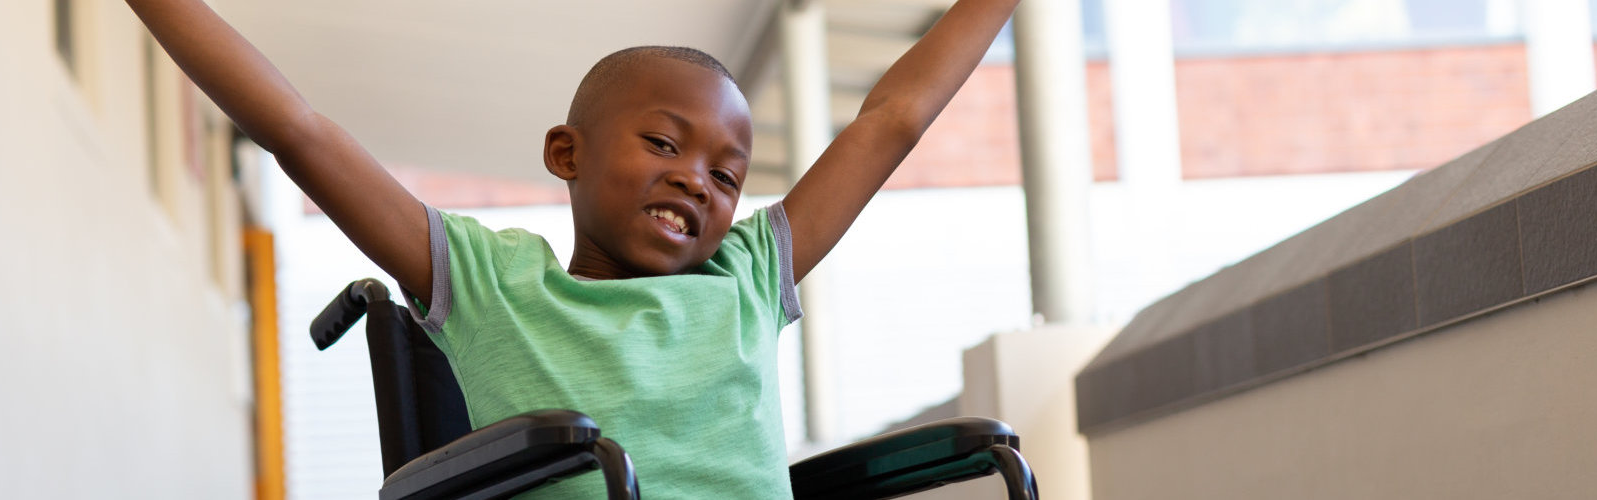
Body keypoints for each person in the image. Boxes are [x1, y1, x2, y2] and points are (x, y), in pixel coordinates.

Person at [124, 1, 1019, 497]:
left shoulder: (745, 277)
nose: (697, 181)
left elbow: (891, 120)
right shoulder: (484, 281)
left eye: (727, 173)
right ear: (567, 154)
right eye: (663, 145)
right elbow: (298, 130)